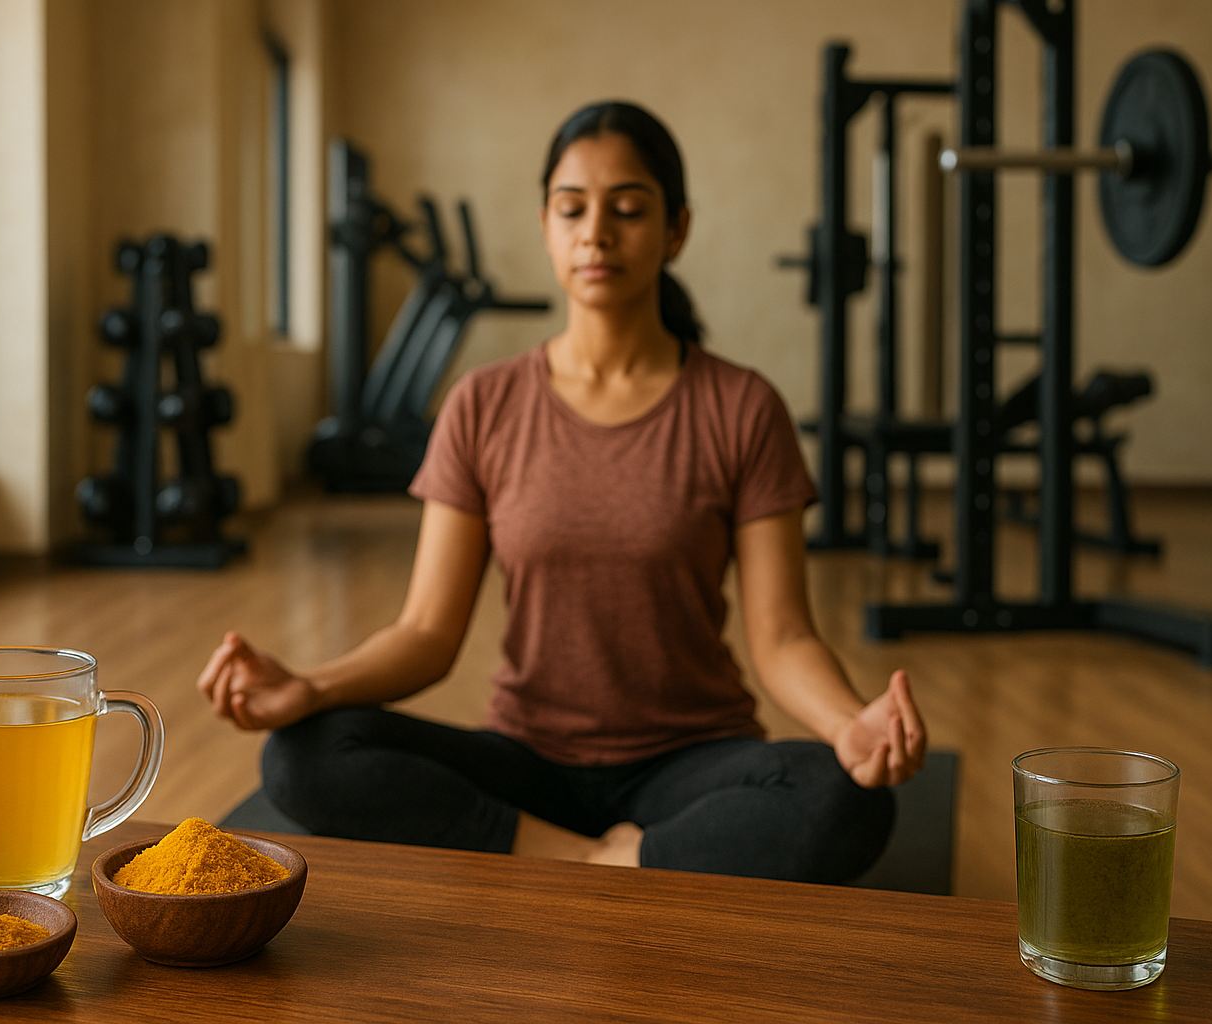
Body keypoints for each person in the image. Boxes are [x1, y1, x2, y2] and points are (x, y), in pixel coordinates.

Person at [197, 100, 926, 882]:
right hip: (527, 764)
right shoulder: (483, 404)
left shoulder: (742, 407)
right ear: (545, 226)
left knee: (842, 800)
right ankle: (597, 861)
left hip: (691, 764)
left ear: (676, 229)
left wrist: (849, 723)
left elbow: (782, 639)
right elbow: (425, 634)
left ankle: (620, 853)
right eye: (572, 208)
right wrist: (310, 686)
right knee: (305, 755)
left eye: (629, 210)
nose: (597, 233)